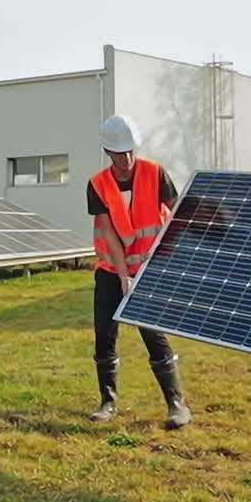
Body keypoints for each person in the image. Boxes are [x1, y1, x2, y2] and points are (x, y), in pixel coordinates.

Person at [87, 113, 191, 429]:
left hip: (150, 266)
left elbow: (177, 216)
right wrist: (122, 276)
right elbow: (108, 233)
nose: (128, 158)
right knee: (105, 334)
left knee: (152, 333)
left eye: (131, 150)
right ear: (108, 152)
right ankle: (108, 401)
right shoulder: (97, 184)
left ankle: (176, 404)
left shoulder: (155, 173)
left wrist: (161, 260)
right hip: (110, 268)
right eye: (120, 153)